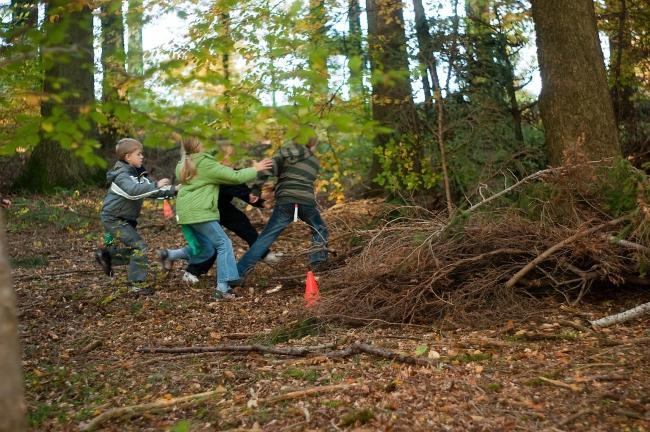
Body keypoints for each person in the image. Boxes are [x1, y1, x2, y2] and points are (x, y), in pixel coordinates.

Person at [174, 137, 272, 300]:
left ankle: (225, 279)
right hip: (200, 211)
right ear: (199, 145)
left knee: (213, 244)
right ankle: (222, 288)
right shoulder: (205, 163)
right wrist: (256, 168)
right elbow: (234, 177)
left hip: (186, 211)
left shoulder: (184, 163)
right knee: (223, 243)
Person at [236, 135, 329, 280]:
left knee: (266, 237)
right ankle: (318, 264)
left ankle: (238, 273)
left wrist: (255, 190)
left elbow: (267, 169)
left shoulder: (285, 153)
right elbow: (302, 179)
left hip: (286, 201)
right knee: (320, 229)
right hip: (306, 201)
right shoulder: (314, 161)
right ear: (312, 144)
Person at [95, 138, 176, 296]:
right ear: (127, 157)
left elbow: (151, 192)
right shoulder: (122, 175)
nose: (142, 157)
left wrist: (174, 189)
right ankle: (136, 286)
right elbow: (133, 191)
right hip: (113, 218)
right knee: (140, 248)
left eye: (142, 154)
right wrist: (156, 185)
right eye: (138, 154)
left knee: (138, 249)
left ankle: (107, 256)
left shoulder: (138, 173)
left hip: (123, 218)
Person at [158, 182, 281, 284]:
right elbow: (237, 188)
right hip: (201, 209)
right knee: (213, 244)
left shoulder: (233, 176)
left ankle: (170, 255)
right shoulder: (217, 171)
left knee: (239, 224)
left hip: (218, 205)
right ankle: (192, 272)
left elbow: (239, 189)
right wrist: (260, 201)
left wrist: (261, 202)